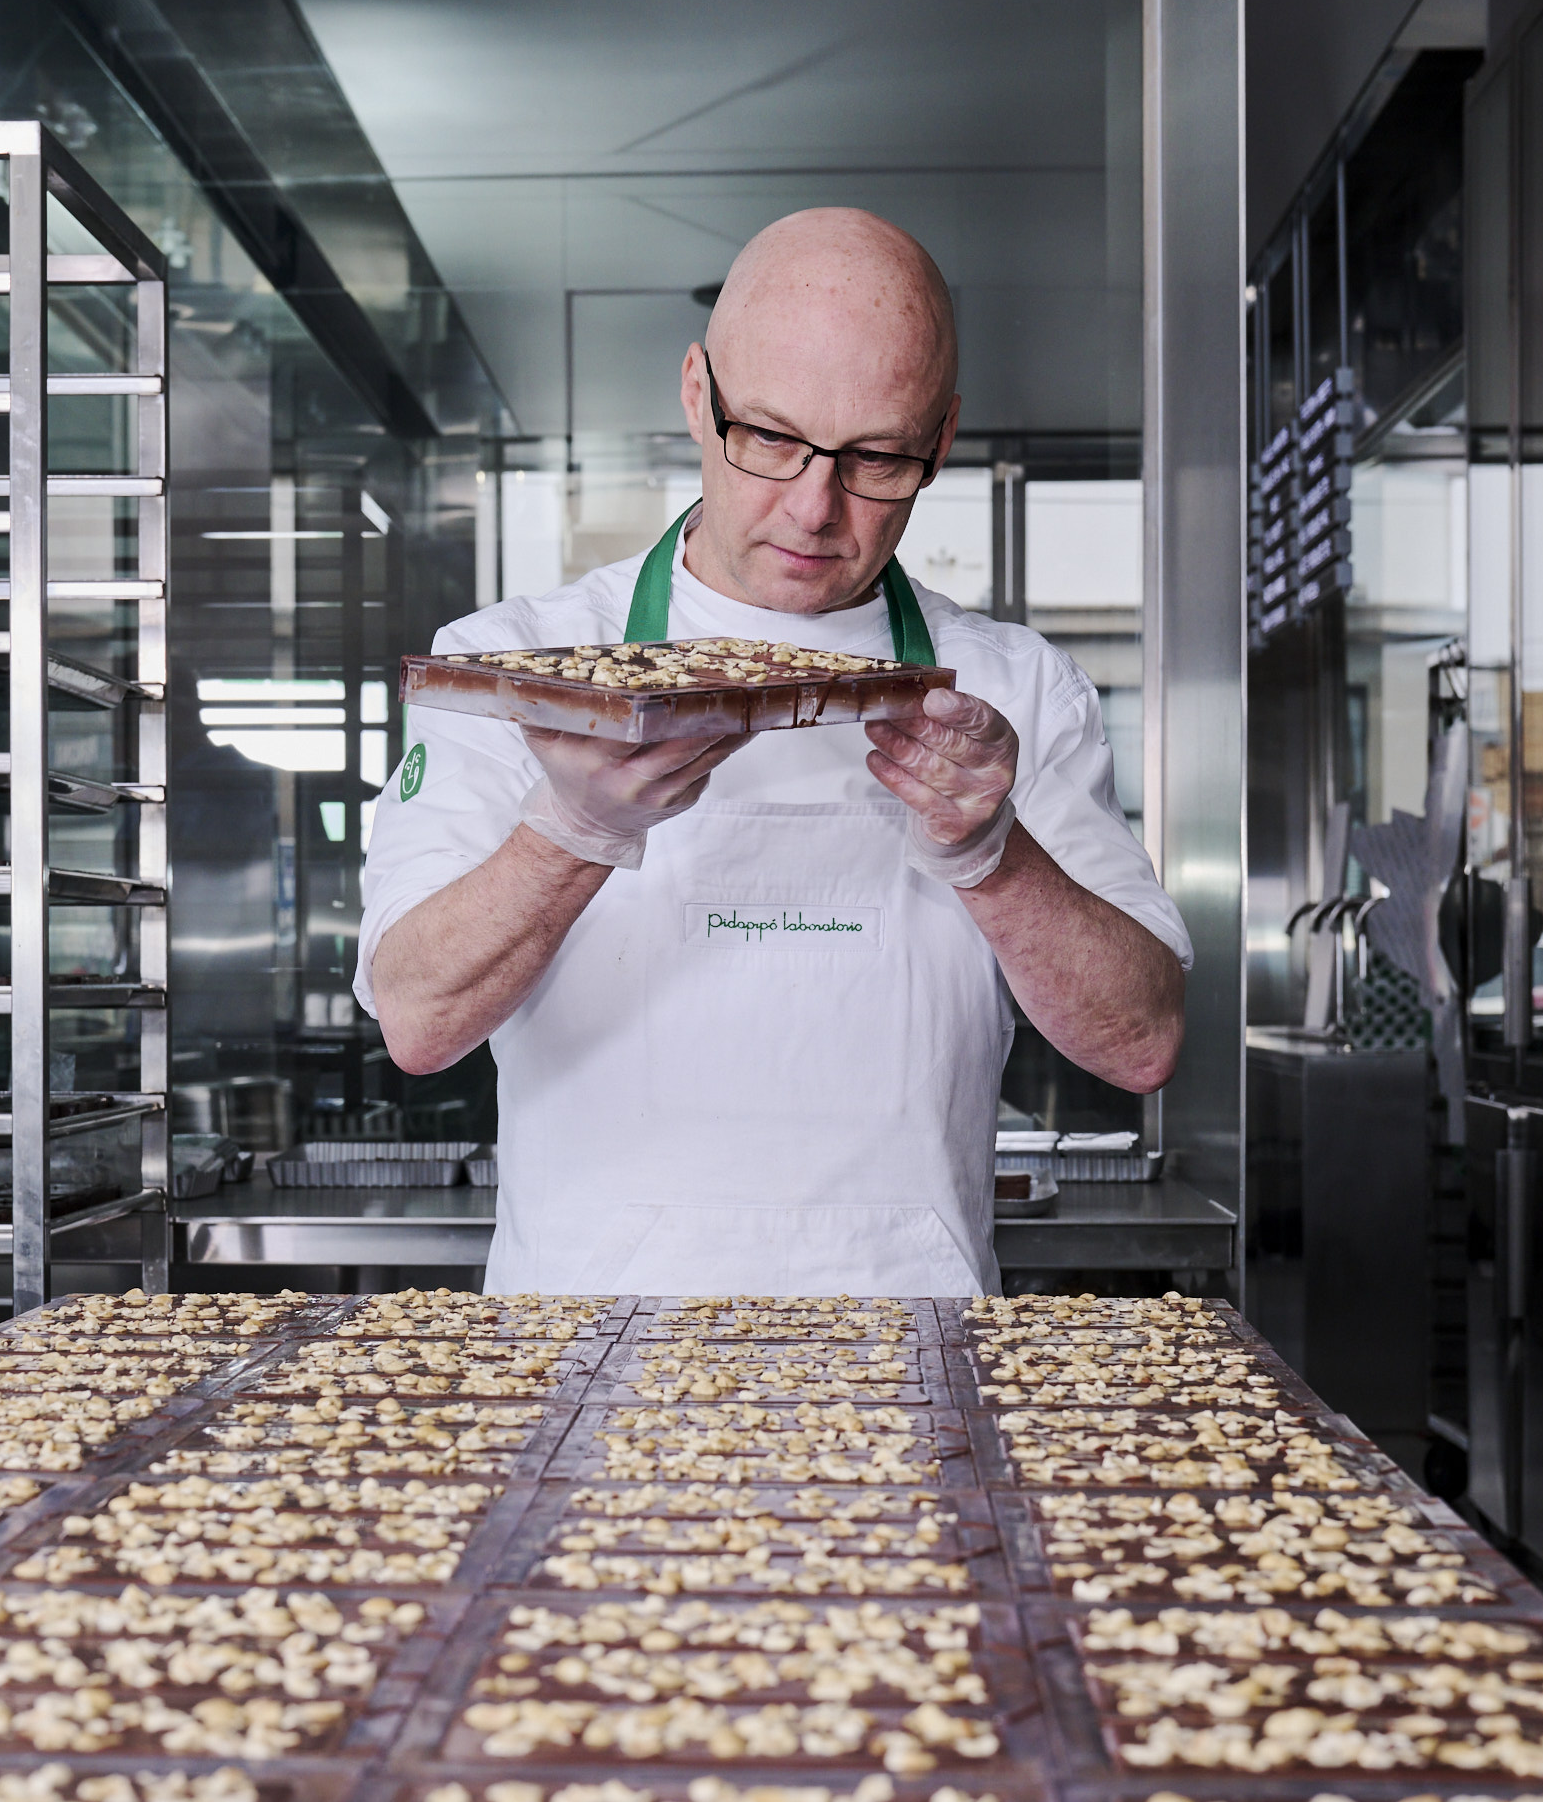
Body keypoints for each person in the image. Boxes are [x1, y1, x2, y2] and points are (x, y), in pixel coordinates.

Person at [354, 207, 1190, 1293]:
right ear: (698, 395)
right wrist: (570, 831)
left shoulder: (1017, 690)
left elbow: (1142, 1043)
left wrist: (997, 854)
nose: (813, 505)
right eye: (771, 439)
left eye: (877, 456)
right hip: (589, 1367)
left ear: (938, 440)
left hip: (912, 1361)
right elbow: (415, 1021)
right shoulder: (517, 668)